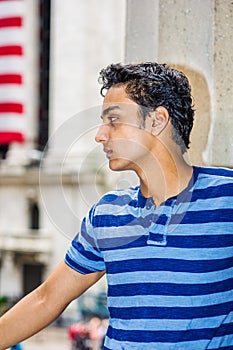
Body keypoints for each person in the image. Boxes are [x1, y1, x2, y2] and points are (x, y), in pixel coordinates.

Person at [0, 62, 233, 349]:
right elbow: (46, 299)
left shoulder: (227, 197)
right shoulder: (106, 215)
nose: (100, 135)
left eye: (113, 120)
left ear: (156, 120)